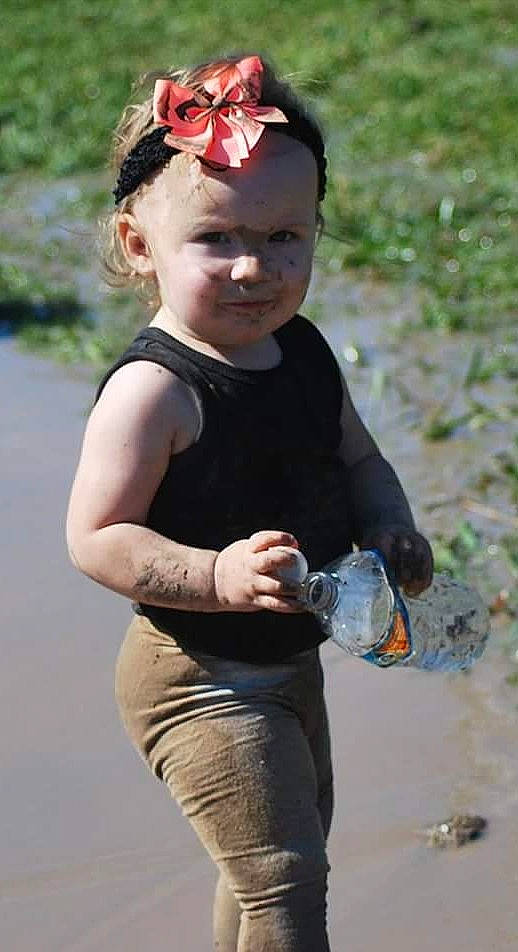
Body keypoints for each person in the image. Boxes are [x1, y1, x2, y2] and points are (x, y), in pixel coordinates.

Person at [66, 53, 433, 952]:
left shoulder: (302, 349)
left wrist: (392, 525)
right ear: (139, 245)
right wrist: (216, 572)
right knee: (286, 880)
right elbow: (97, 535)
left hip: (287, 662)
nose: (252, 269)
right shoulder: (156, 390)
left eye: (284, 238)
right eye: (217, 238)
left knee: (277, 864)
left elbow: (361, 458)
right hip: (197, 677)